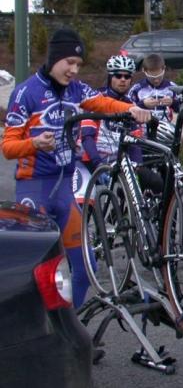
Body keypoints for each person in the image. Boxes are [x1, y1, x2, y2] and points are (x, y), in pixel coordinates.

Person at [2, 29, 151, 308]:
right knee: (36, 276)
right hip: (34, 189)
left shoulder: (76, 90)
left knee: (85, 269)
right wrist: (33, 143)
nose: (73, 70)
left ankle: (71, 331)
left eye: (78, 65)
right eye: (69, 62)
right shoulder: (25, 93)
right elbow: (8, 147)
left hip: (65, 191)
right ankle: (36, 338)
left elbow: (102, 102)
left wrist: (129, 109)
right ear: (54, 57)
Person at [77, 54, 162, 197]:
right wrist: (98, 165)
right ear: (110, 77)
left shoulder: (131, 106)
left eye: (127, 76)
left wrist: (138, 168)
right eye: (118, 75)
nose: (123, 80)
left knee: (157, 183)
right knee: (86, 197)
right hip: (93, 160)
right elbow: (87, 138)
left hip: (120, 163)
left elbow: (135, 144)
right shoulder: (97, 100)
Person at [128, 53, 179, 123]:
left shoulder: (172, 87)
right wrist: (143, 104)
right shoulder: (137, 88)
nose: (156, 80)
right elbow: (128, 110)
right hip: (143, 127)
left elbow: (182, 109)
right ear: (144, 71)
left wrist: (173, 102)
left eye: (159, 76)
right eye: (152, 77)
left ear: (164, 69)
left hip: (166, 126)